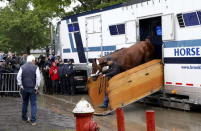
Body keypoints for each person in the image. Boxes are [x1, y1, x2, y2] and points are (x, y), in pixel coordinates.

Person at [17, 55, 41, 125]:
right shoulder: (36, 67)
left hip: (24, 87)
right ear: (33, 60)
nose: (35, 62)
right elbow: (38, 78)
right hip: (32, 88)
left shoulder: (22, 67)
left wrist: (20, 85)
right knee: (33, 104)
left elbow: (18, 77)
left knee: (25, 103)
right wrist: (37, 87)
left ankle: (24, 118)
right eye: (34, 60)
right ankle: (33, 121)